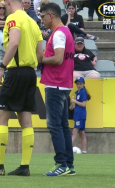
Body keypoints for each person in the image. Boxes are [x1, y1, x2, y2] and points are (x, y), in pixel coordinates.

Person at [0, 0, 43, 176]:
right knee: (26, 121)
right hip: (30, 73)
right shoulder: (32, 22)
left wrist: (2, 67)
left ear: (8, 2)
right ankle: (24, 167)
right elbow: (40, 54)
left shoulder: (13, 19)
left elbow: (13, 43)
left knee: (0, 118)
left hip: (16, 72)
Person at [39, 2, 75, 176]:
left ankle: (61, 163)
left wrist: (41, 59)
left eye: (43, 16)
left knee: (54, 125)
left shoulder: (59, 33)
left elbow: (58, 58)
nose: (42, 20)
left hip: (56, 83)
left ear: (51, 15)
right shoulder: (65, 31)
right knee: (62, 126)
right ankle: (69, 164)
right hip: (63, 82)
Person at [69, 77, 90, 155]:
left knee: (75, 131)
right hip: (78, 114)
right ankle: (84, 150)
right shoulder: (78, 92)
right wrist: (73, 107)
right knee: (81, 132)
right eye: (77, 84)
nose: (78, 85)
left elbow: (83, 104)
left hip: (80, 115)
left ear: (83, 84)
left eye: (80, 84)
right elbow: (79, 105)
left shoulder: (82, 92)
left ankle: (69, 148)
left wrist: (74, 101)